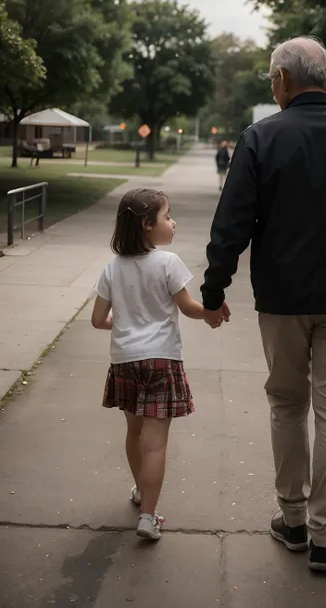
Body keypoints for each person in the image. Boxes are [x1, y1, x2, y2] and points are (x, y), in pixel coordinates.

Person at [201, 37, 326, 572]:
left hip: (283, 301)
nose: (272, 85)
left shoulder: (261, 138)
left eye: (272, 77)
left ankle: (292, 520)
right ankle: (325, 538)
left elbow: (232, 223)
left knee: (287, 405)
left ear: (286, 80)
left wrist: (214, 290)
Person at [91, 188, 225, 541]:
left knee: (134, 435)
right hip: (161, 361)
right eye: (168, 216)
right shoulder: (168, 263)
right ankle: (148, 516)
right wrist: (211, 314)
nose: (173, 222)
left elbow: (98, 319)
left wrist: (124, 325)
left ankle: (140, 490)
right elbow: (187, 307)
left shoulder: (112, 268)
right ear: (148, 225)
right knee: (156, 445)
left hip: (124, 361)